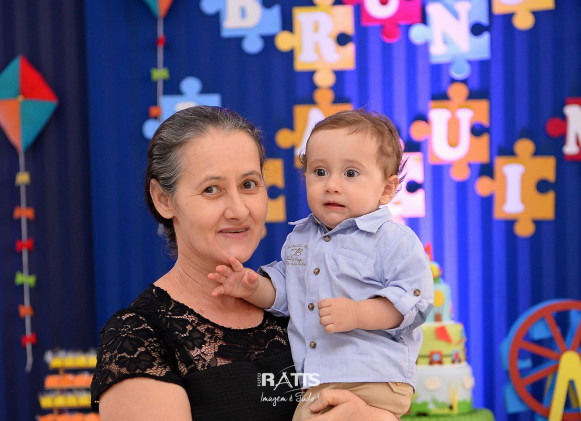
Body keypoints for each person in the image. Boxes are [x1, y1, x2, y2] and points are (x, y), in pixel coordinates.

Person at [90, 105, 400, 421]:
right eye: (211, 190)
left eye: (249, 184)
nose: (239, 210)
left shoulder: (302, 299)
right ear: (163, 199)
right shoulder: (138, 336)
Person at [209, 109, 434, 420]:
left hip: (374, 376)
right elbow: (288, 294)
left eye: (350, 173)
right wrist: (252, 287)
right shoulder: (300, 238)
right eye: (319, 172)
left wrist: (358, 313)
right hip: (317, 379)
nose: (332, 185)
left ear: (386, 189)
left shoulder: (393, 240)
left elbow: (414, 301)